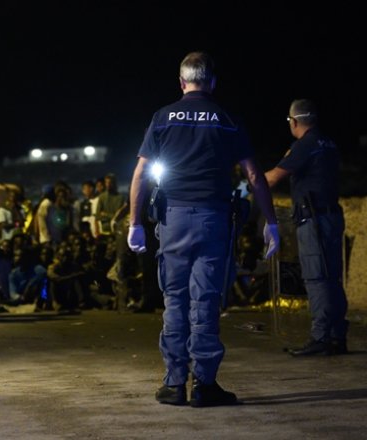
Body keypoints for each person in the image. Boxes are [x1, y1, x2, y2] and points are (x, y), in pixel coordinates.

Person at [127, 52, 280, 407]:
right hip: (212, 219)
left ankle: (174, 383)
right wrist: (270, 222)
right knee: (206, 300)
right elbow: (254, 176)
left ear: (182, 82)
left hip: (173, 219)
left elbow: (140, 174)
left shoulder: (162, 118)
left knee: (175, 298)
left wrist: (135, 223)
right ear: (212, 82)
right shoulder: (227, 119)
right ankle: (205, 385)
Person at [264, 99, 349, 356]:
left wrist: (249, 182)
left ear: (295, 121)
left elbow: (274, 177)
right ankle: (336, 337)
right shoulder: (328, 143)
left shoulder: (305, 145)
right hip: (331, 215)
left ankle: (320, 338)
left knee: (316, 278)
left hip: (313, 220)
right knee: (332, 278)